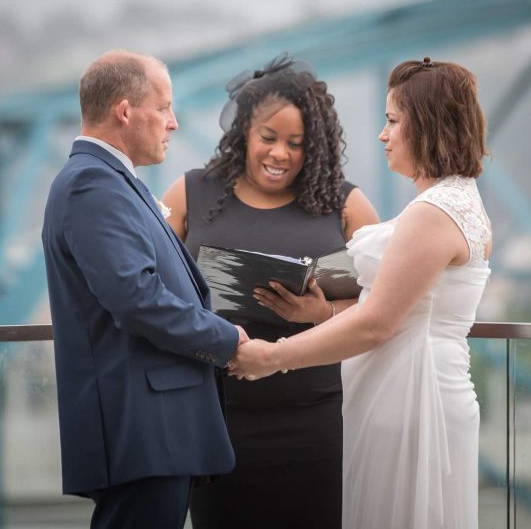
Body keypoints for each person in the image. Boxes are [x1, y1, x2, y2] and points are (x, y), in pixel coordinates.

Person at [230, 57, 493, 529]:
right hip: (417, 390)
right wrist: (323, 311)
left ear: (427, 125)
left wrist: (271, 356)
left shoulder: (433, 212)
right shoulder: (459, 202)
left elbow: (378, 324)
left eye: (393, 120)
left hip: (410, 399)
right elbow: (401, 309)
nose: (382, 134)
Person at [160, 54, 379, 529]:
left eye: (296, 144)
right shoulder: (191, 194)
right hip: (216, 418)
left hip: (318, 423)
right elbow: (150, 284)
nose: (281, 154)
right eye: (269, 138)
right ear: (244, 133)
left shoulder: (344, 205)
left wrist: (320, 314)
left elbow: (380, 311)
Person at [41, 50, 248, 529]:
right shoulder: (92, 184)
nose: (173, 123)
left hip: (153, 425)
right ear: (125, 110)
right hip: (141, 426)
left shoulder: (108, 180)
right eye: (163, 107)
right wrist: (225, 339)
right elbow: (137, 299)